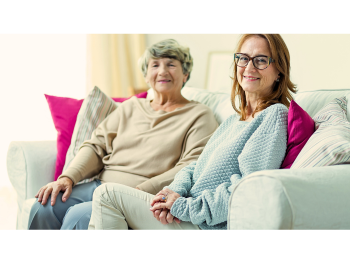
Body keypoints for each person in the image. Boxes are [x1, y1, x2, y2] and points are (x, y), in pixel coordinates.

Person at [87, 34, 297, 230]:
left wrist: (183, 207)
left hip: (204, 225)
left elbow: (246, 188)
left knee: (107, 195)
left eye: (260, 60)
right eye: (243, 58)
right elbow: (195, 166)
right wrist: (172, 192)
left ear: (279, 70)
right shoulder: (234, 120)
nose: (249, 67)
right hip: (184, 210)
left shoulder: (273, 116)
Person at [28, 39, 218, 230]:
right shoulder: (130, 107)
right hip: (99, 185)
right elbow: (97, 146)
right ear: (146, 75)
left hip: (139, 196)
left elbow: (192, 165)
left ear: (185, 74)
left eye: (171, 64)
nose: (162, 71)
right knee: (43, 206)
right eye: (155, 65)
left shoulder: (199, 115)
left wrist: (140, 191)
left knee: (80, 216)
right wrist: (67, 177)